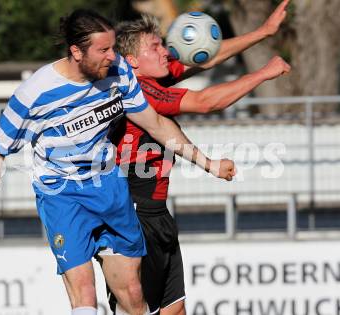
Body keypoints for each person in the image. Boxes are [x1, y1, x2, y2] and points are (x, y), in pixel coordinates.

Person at [0, 9, 235, 315]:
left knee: (133, 294)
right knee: (85, 291)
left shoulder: (119, 72)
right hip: (62, 195)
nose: (112, 56)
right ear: (76, 52)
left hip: (109, 187)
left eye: (112, 47)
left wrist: (208, 163)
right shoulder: (35, 94)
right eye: (103, 50)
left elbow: (155, 123)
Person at [109, 1, 291, 314]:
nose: (166, 52)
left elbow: (206, 55)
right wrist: (262, 74)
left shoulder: (154, 78)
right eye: (156, 47)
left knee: (174, 310)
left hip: (156, 214)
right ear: (132, 61)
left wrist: (263, 32)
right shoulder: (137, 90)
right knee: (133, 310)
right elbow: (206, 101)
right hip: (132, 215)